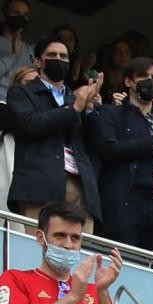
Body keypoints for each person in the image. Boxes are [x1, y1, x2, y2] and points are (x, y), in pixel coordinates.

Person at [85, 56, 153, 258]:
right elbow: (108, 152)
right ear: (128, 82)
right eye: (143, 76)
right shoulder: (111, 114)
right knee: (125, 268)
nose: (150, 81)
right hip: (126, 205)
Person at [6, 38, 99, 225]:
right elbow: (31, 125)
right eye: (52, 55)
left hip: (80, 184)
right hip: (40, 185)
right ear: (38, 62)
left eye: (63, 56)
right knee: (39, 249)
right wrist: (73, 109)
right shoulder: (21, 93)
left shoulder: (77, 97)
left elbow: (98, 142)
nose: (59, 59)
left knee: (79, 251)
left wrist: (90, 110)